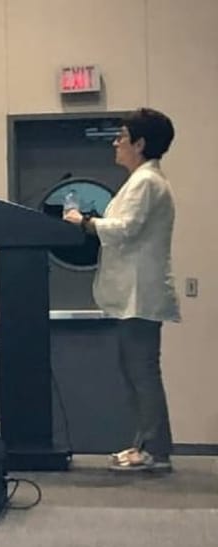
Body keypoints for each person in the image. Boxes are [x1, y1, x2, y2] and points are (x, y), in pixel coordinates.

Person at [63, 108, 180, 472]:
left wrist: (84, 222)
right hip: (134, 295)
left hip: (139, 296)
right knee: (136, 372)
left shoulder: (146, 182)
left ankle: (154, 450)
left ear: (140, 144)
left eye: (122, 137)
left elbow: (125, 228)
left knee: (142, 373)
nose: (115, 143)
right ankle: (145, 445)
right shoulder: (142, 181)